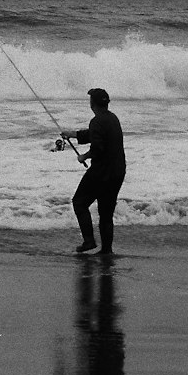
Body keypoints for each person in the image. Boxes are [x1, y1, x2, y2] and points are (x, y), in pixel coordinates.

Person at [63, 88, 126, 256]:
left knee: (79, 202)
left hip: (102, 172)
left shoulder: (97, 121)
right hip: (118, 171)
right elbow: (95, 135)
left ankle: (89, 241)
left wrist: (84, 156)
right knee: (106, 213)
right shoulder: (112, 118)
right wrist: (73, 134)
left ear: (93, 104)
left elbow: (97, 148)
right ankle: (106, 250)